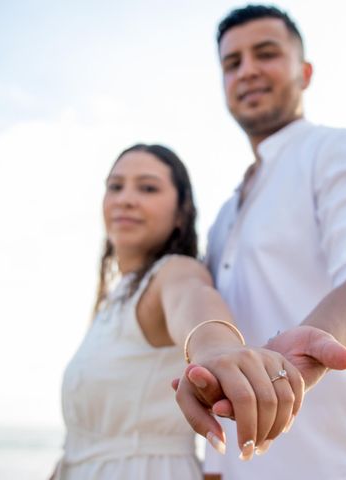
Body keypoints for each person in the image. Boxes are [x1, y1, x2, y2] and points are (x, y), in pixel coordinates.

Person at [175, 5, 346, 480]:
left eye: (266, 54)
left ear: (304, 72)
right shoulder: (226, 215)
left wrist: (307, 349)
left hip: (341, 469)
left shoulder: (339, 150)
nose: (249, 71)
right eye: (232, 63)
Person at [52, 143, 308, 479]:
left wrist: (218, 349)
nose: (126, 198)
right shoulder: (114, 301)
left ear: (179, 214)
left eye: (147, 188)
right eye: (115, 186)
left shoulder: (174, 272)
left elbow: (192, 298)